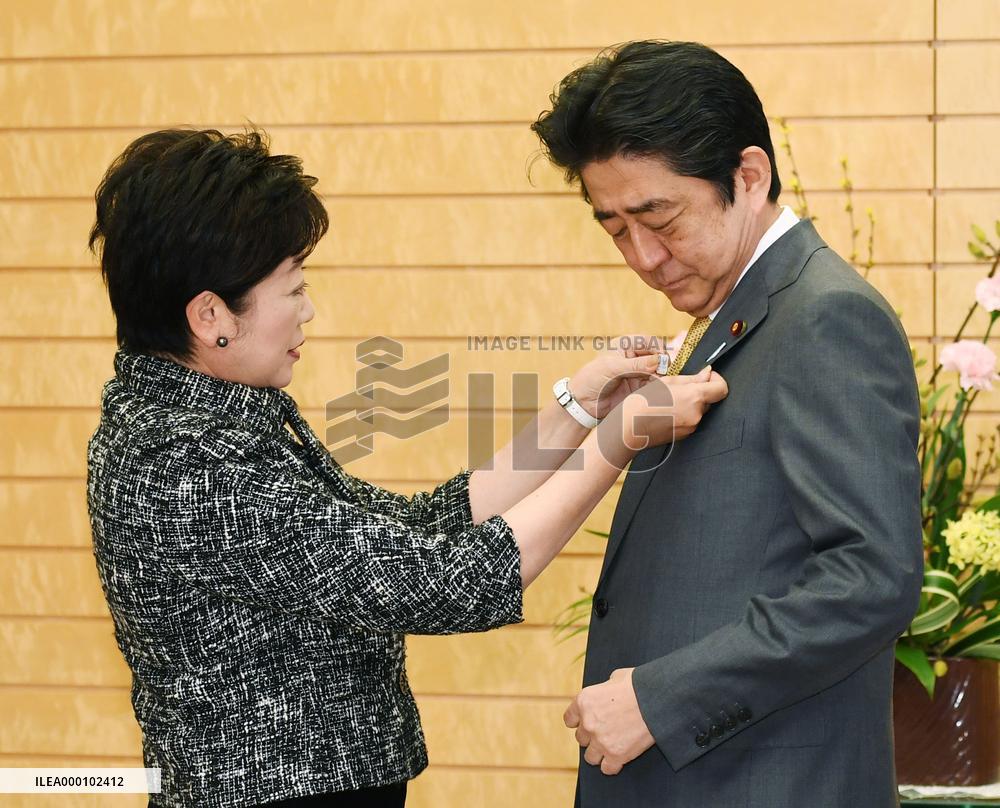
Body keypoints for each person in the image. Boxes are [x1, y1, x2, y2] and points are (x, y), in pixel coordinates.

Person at [85, 128, 727, 807]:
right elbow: (446, 583)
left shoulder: (210, 421)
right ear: (211, 314)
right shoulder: (186, 463)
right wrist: (621, 438)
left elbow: (415, 530)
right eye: (292, 290)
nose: (308, 312)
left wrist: (579, 408)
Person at [531, 40, 923, 807]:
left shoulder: (825, 316)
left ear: (748, 176)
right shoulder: (737, 312)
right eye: (614, 228)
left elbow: (871, 577)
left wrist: (660, 698)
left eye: (660, 218)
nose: (643, 257)